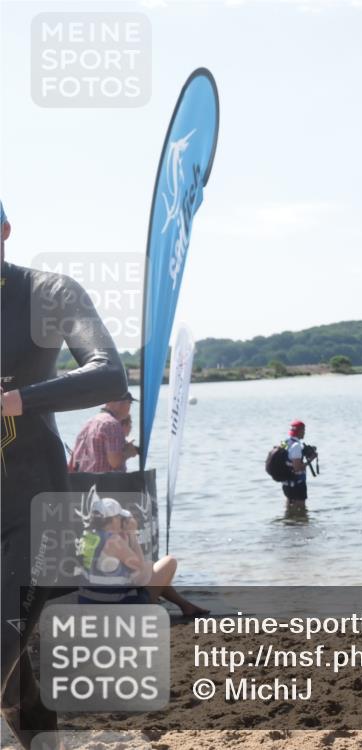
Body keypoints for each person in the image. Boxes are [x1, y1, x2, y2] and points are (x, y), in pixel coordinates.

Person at [1, 199, 128, 747]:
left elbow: (108, 373)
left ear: (4, 229)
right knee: (14, 688)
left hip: (30, 510)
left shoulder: (47, 293)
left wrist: (18, 400)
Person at [77, 491, 206, 615]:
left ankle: (185, 605)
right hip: (112, 608)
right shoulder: (113, 541)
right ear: (113, 519)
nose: (123, 520)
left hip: (89, 605)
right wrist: (132, 534)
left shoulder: (86, 536)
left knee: (152, 569)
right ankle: (153, 611)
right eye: (120, 517)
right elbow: (141, 569)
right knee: (169, 562)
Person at [68, 394, 139, 473]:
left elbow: (74, 461)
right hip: (106, 483)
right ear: (114, 402)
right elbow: (115, 462)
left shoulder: (89, 422)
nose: (129, 407)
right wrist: (129, 452)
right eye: (129, 402)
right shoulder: (112, 424)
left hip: (84, 482)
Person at [281, 420, 309, 503]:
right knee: (301, 511)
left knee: (289, 508)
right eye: (304, 430)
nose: (304, 433)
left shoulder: (285, 442)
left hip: (286, 484)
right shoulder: (296, 446)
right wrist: (310, 460)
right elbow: (297, 468)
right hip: (297, 484)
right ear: (300, 431)